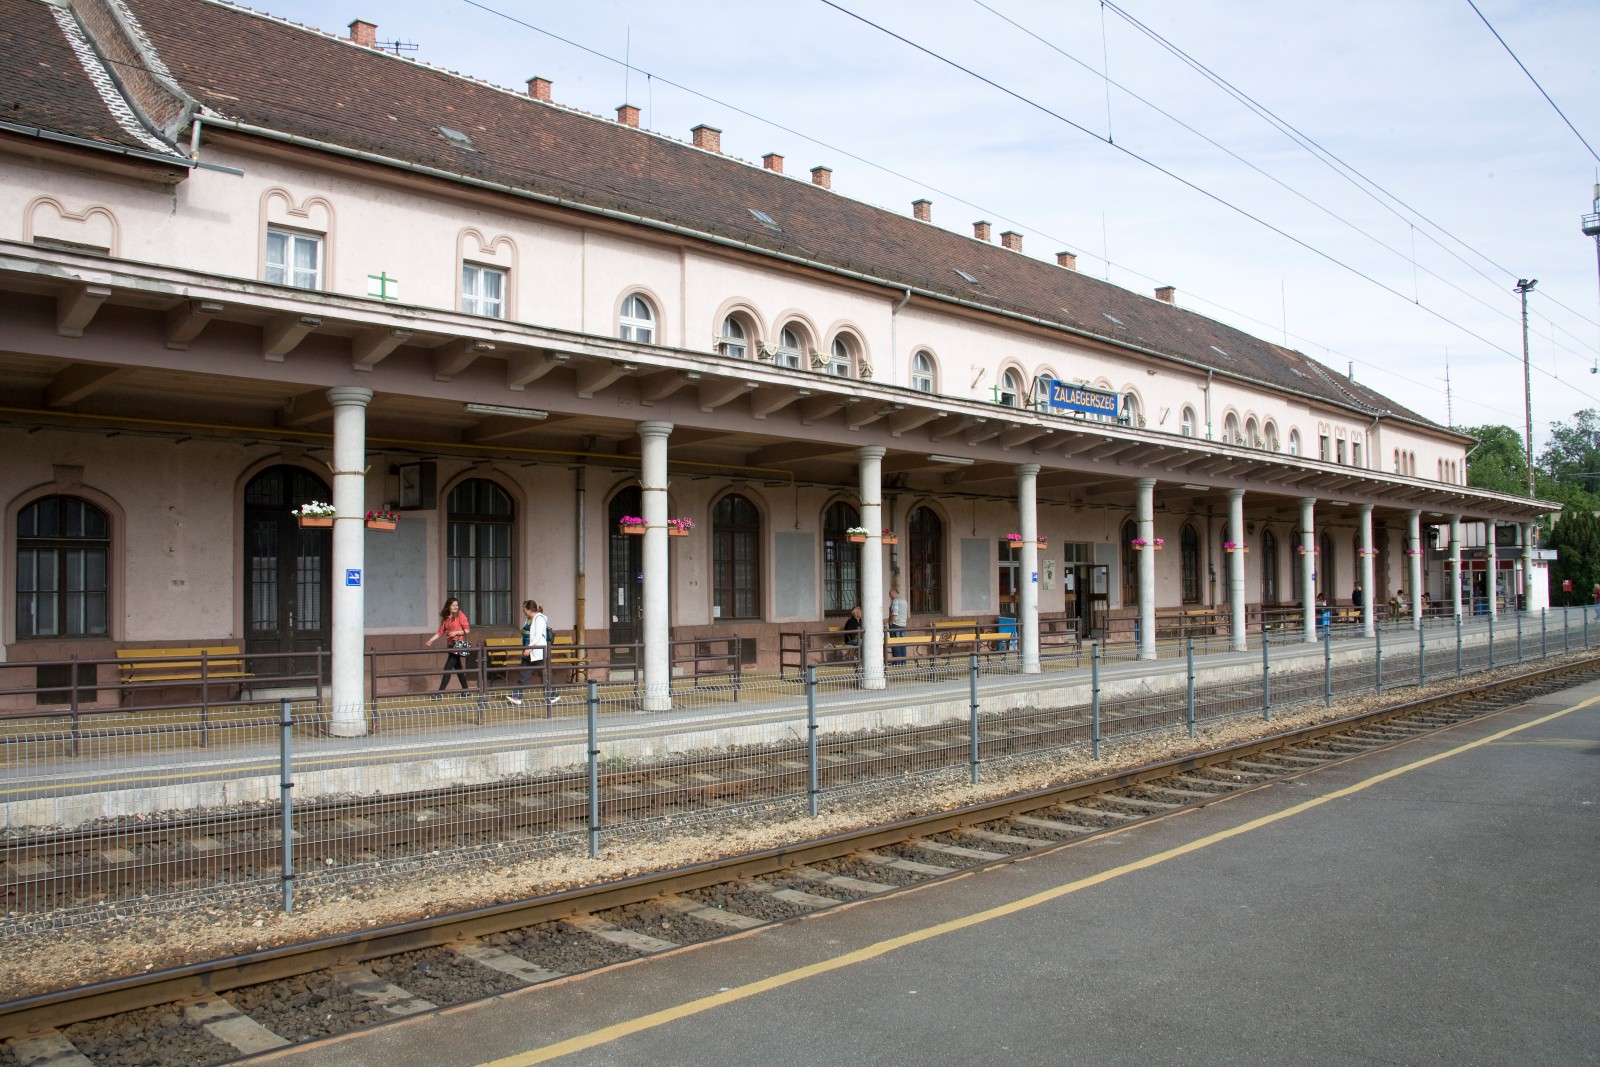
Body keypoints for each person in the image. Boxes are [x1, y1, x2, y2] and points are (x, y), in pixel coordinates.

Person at [509, 599, 559, 708]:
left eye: (524, 609)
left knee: (545, 674)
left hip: (538, 652)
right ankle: (517, 696)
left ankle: (554, 694)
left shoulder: (539, 619)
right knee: (525, 672)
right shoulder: (531, 619)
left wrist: (529, 648)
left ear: (528, 609)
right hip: (533, 652)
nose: (523, 611)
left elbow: (537, 636)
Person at [423, 596, 471, 695]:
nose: (455, 607)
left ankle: (440, 693)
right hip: (451, 646)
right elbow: (440, 632)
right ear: (448, 606)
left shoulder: (460, 615)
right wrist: (431, 640)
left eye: (456, 605)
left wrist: (456, 633)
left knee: (447, 669)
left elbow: (467, 630)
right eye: (453, 605)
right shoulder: (446, 618)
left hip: (457, 645)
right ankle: (466, 691)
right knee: (459, 669)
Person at [886, 583, 908, 660]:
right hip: (903, 624)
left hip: (895, 624)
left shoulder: (895, 601)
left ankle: (897, 661)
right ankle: (903, 661)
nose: (890, 596)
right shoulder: (904, 600)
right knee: (902, 643)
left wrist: (890, 622)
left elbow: (894, 614)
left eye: (890, 594)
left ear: (894, 592)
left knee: (895, 643)